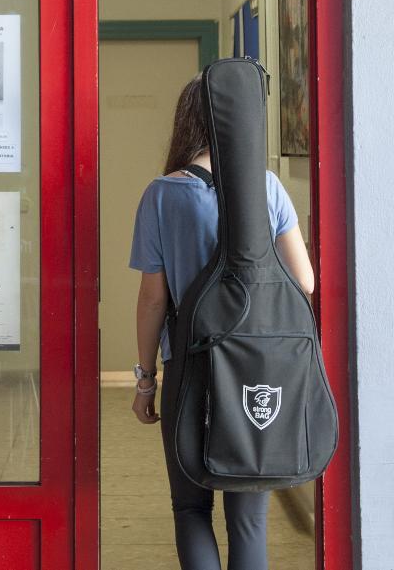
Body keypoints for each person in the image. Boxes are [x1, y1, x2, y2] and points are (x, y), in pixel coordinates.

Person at [129, 72, 314, 570]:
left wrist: (146, 381)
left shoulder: (162, 195)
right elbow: (305, 282)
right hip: (257, 371)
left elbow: (152, 301)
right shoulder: (267, 187)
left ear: (187, 122)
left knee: (190, 508)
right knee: (249, 519)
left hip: (189, 370)